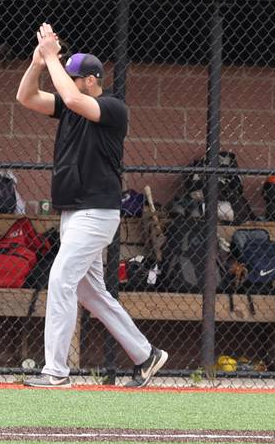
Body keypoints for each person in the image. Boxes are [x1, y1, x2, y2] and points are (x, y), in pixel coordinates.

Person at [15, 22, 167, 388]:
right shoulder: (70, 107)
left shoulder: (114, 108)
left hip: (97, 212)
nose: (65, 80)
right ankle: (146, 355)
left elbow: (71, 98)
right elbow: (26, 97)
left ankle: (55, 371)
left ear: (92, 80)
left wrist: (52, 56)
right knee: (89, 292)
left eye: (72, 77)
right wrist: (38, 61)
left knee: (61, 279)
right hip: (74, 211)